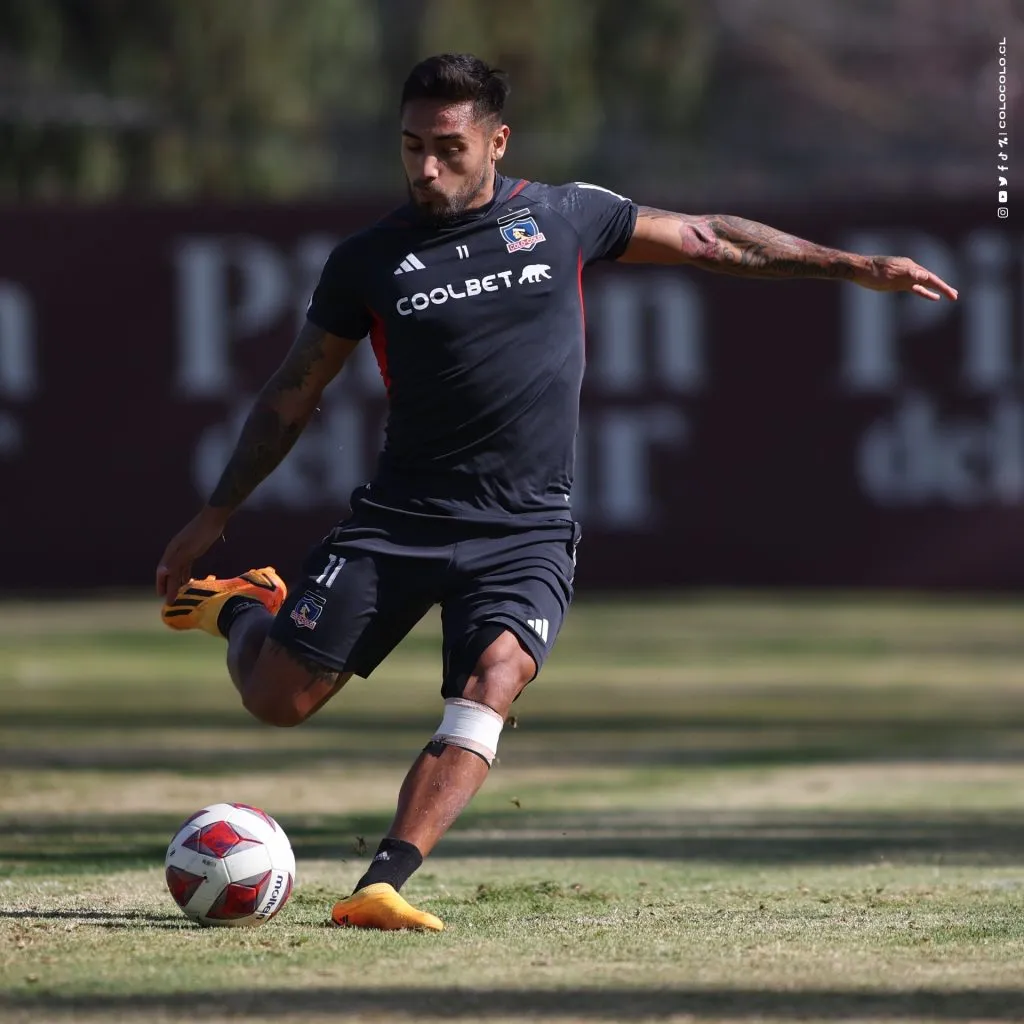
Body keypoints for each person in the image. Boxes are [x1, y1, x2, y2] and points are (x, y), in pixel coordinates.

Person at [155, 53, 958, 932]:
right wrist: (214, 515)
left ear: (497, 141)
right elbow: (293, 392)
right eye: (413, 146)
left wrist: (852, 266)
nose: (428, 168)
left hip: (525, 530)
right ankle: (244, 607)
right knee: (278, 702)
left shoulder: (564, 215)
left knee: (495, 678)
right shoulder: (368, 260)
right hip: (401, 520)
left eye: (450, 148)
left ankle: (381, 884)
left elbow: (710, 237)